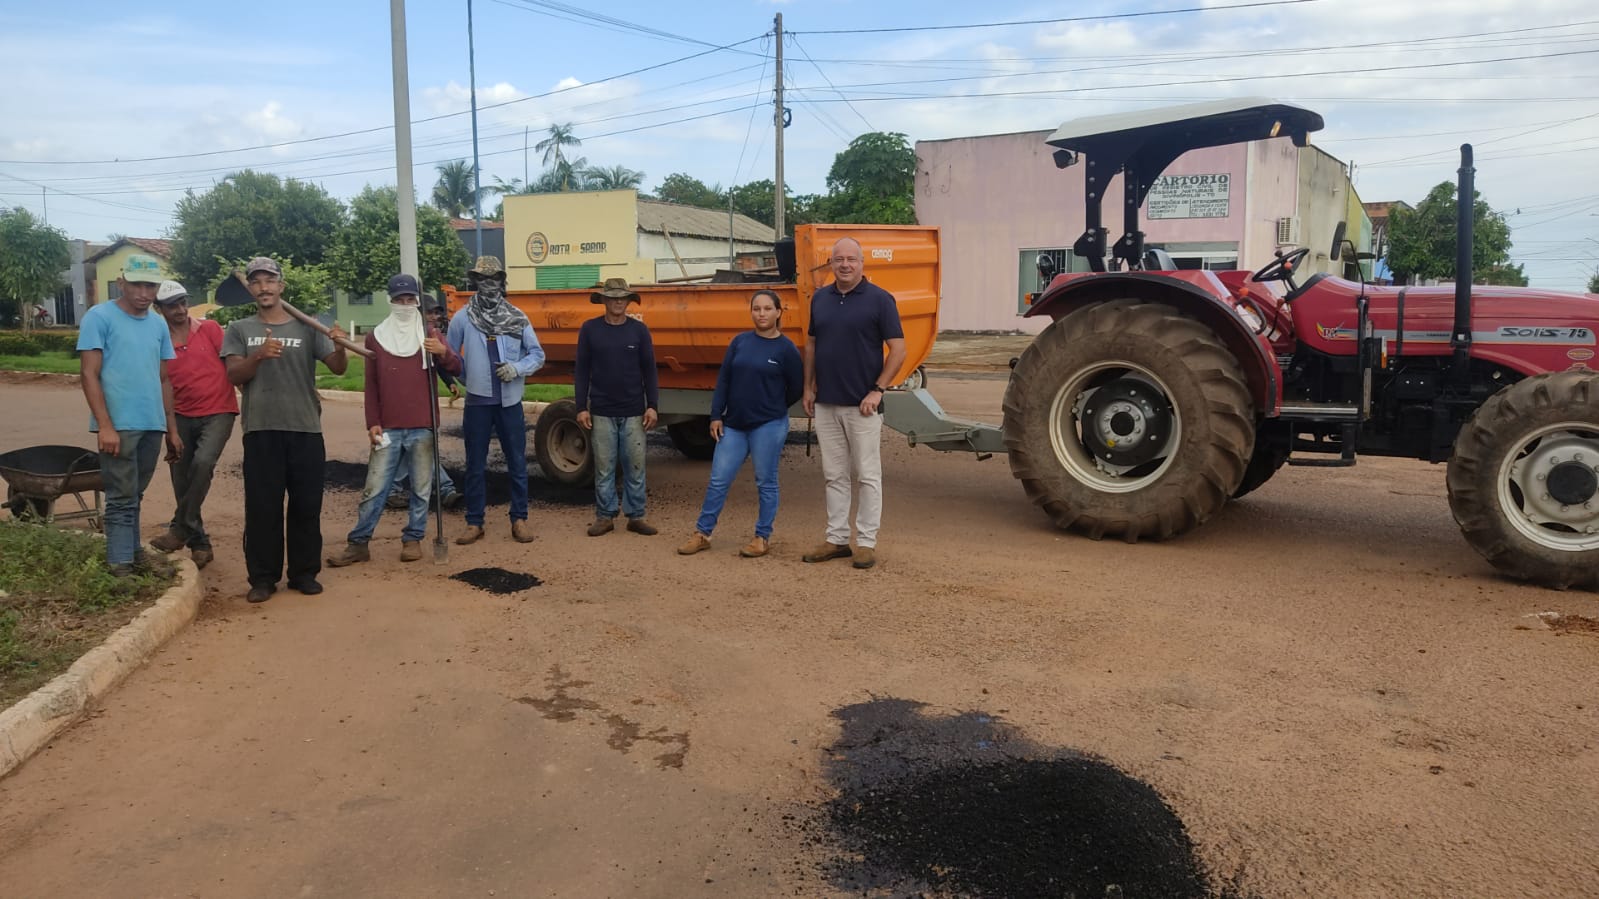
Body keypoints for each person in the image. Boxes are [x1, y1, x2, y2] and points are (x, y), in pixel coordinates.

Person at [221, 256, 350, 603]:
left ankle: (304, 573)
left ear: (281, 286)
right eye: (256, 282)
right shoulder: (239, 329)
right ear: (250, 288)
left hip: (305, 428)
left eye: (269, 280)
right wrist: (258, 356)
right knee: (263, 507)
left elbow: (337, 368)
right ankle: (263, 578)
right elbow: (234, 376)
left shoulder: (307, 327)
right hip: (261, 429)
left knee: (306, 505)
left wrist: (339, 344)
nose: (263, 287)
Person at [328, 274, 462, 567]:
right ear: (391, 300)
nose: (404, 304)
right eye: (399, 299)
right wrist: (372, 421)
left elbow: (456, 366)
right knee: (375, 487)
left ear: (416, 301)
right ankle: (359, 543)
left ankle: (413, 538)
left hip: (423, 426)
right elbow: (372, 384)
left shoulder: (429, 335)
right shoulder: (377, 337)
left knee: (422, 487)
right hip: (387, 427)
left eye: (409, 299)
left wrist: (443, 353)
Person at [801, 237, 906, 570]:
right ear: (830, 264)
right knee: (834, 475)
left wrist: (878, 389)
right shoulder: (820, 299)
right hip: (827, 403)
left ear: (863, 263)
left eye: (851, 259)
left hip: (863, 405)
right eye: (838, 259)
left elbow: (898, 349)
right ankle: (836, 539)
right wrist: (808, 387)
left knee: (867, 476)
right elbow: (812, 345)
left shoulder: (880, 300)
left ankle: (866, 543)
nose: (845, 265)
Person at [75, 254, 182, 578]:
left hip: (151, 423)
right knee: (121, 498)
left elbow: (163, 378)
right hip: (118, 425)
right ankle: (120, 567)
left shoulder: (158, 323)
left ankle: (133, 556)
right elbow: (89, 374)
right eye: (136, 284)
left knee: (134, 495)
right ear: (121, 283)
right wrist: (105, 426)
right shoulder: (99, 317)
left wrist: (171, 430)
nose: (143, 293)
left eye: (150, 286)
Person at [677, 290, 802, 558]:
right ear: (751, 313)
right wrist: (715, 415)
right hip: (733, 426)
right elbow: (724, 381)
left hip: (768, 426)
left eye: (768, 309)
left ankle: (762, 537)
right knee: (718, 480)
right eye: (757, 309)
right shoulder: (740, 342)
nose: (762, 314)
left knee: (765, 482)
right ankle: (703, 533)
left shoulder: (786, 349)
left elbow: (796, 388)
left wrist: (774, 407)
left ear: (779, 312)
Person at [446, 256, 544, 545]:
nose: (488, 285)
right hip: (477, 402)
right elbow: (450, 357)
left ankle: (519, 519)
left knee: (517, 462)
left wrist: (517, 368)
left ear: (502, 282)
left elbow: (537, 354)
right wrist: (464, 378)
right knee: (474, 464)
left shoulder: (517, 317)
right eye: (482, 279)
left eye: (494, 280)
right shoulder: (462, 317)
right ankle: (474, 522)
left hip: (509, 401)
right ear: (475, 282)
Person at [148, 280, 237, 570]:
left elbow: (233, 366)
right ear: (158, 308)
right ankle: (200, 544)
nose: (180, 310)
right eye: (172, 305)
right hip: (180, 415)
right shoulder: (157, 339)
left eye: (183, 302)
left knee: (203, 463)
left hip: (218, 411)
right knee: (181, 477)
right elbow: (161, 384)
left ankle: (180, 527)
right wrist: (169, 429)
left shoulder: (210, 329)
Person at [574, 278, 659, 537]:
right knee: (604, 466)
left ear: (628, 301)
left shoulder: (639, 331)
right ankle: (605, 516)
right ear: (604, 301)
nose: (618, 301)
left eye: (623, 297)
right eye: (613, 297)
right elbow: (582, 371)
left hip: (634, 410)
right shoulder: (589, 330)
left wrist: (652, 405)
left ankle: (636, 516)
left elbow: (649, 370)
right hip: (601, 410)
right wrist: (581, 406)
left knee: (635, 465)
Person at [388, 294, 463, 511]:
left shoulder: (433, 335)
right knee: (414, 448)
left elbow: (441, 363)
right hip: (401, 402)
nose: (435, 316)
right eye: (430, 312)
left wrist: (449, 382)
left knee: (413, 448)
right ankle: (445, 489)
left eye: (436, 312)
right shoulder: (398, 334)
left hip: (422, 404)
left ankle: (392, 489)